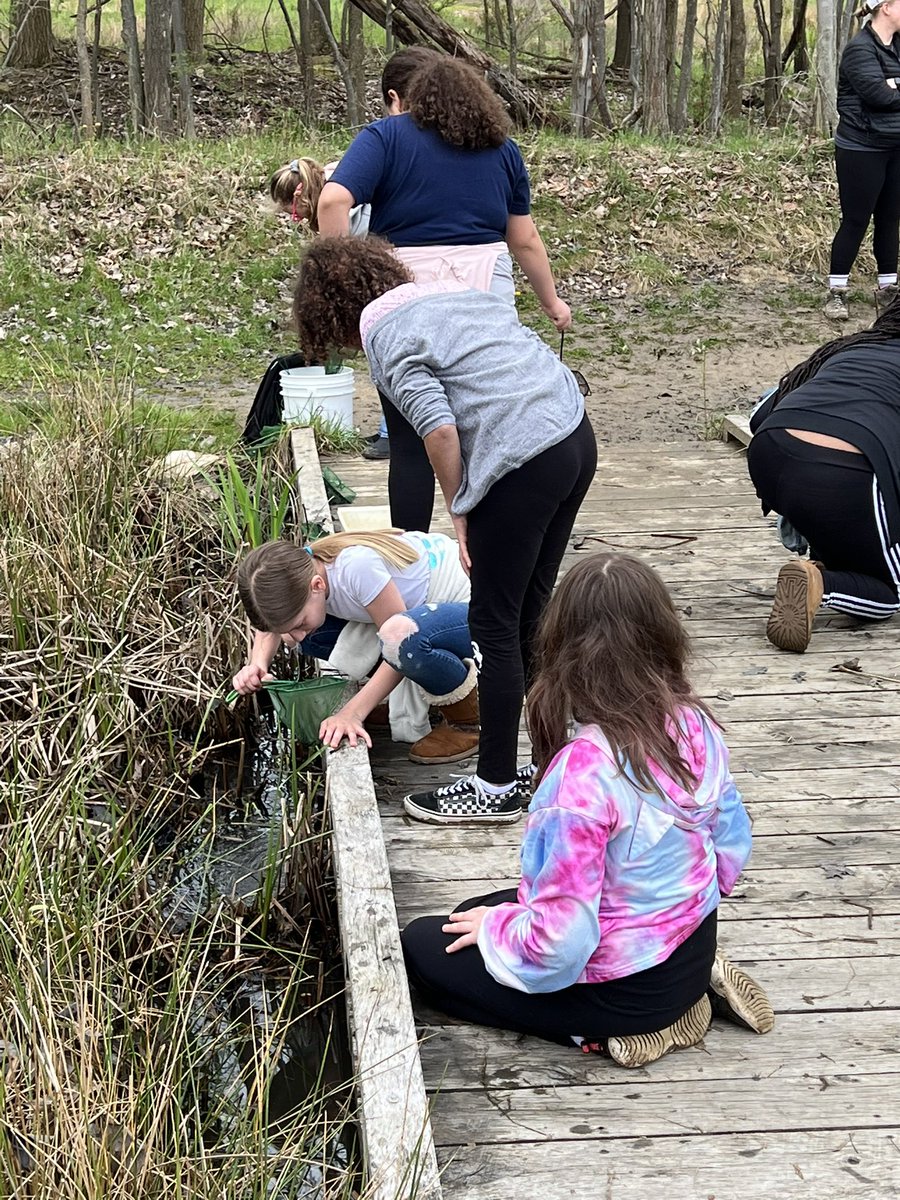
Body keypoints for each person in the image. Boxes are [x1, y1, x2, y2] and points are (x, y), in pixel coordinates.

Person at [400, 553, 775, 1065]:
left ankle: (611, 1034)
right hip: (693, 942)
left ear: (563, 647)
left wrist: (498, 932)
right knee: (471, 914)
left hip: (627, 993)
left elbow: (559, 947)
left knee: (423, 948)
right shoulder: (694, 721)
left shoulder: (583, 773)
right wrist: (672, 912)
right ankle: (693, 983)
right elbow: (732, 845)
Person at [293, 236, 597, 823]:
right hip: (573, 435)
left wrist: (460, 503)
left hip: (521, 459)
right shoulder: (453, 292)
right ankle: (552, 763)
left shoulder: (385, 334)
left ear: (330, 315)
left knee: (493, 624)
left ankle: (495, 785)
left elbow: (437, 429)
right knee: (533, 615)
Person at [317, 54, 572, 531]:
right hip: (484, 289)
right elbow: (524, 239)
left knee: (408, 442)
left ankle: (410, 550)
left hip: (405, 288)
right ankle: (489, 544)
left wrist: (345, 279)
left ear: (406, 97)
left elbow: (332, 199)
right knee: (490, 423)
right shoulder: (502, 148)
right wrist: (551, 302)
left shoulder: (385, 137)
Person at [232, 530, 480, 764]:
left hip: (475, 605)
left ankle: (466, 722)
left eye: (299, 623)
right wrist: (257, 664)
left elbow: (399, 646)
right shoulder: (304, 571)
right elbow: (270, 624)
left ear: (317, 586)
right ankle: (410, 693)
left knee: (407, 644)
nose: (294, 636)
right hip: (418, 615)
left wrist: (352, 713)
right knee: (310, 635)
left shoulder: (357, 568)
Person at [748, 299, 900, 651]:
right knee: (890, 592)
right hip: (844, 470)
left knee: (852, 525)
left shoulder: (852, 348)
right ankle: (820, 584)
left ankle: (825, 561)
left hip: (770, 450)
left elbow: (757, 416)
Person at [825, 0, 900, 321]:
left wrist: (893, 83)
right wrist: (889, 87)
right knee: (856, 220)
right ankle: (837, 292)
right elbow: (880, 97)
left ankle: (888, 288)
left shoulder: (896, 45)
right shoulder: (860, 49)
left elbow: (890, 94)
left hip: (896, 146)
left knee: (890, 218)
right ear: (886, 7)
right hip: (861, 148)